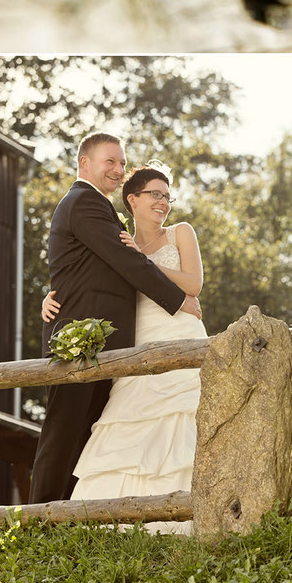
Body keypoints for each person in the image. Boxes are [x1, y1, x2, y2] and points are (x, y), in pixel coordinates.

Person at [29, 134, 201, 506]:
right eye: (110, 161)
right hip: (80, 337)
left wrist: (58, 288)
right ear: (85, 163)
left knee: (85, 432)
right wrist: (178, 301)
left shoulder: (102, 209)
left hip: (111, 343)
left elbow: (89, 267)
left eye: (122, 163)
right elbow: (124, 262)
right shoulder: (85, 201)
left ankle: (67, 511)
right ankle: (38, 516)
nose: (118, 169)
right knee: (63, 431)